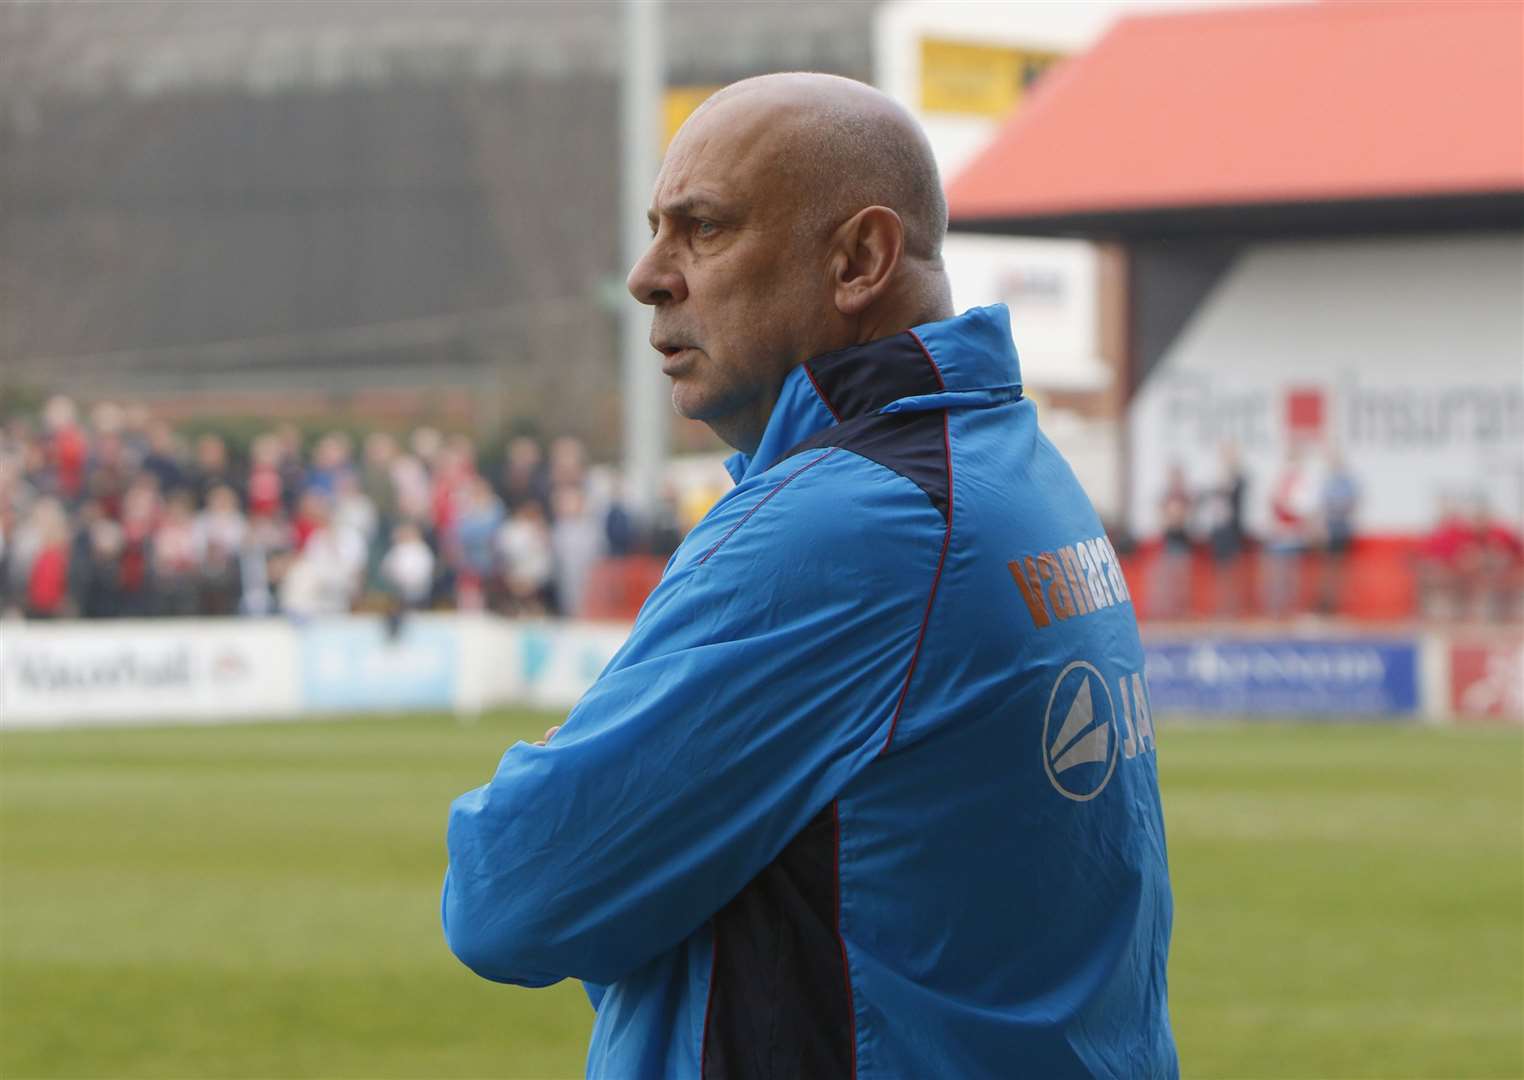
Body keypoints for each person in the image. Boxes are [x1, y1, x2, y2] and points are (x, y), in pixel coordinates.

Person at [443, 73, 1175, 1078]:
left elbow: (510, 891)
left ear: (859, 258)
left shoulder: (844, 526)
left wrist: (575, 763)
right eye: (657, 228)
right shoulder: (1006, 464)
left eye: (701, 229)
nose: (648, 275)